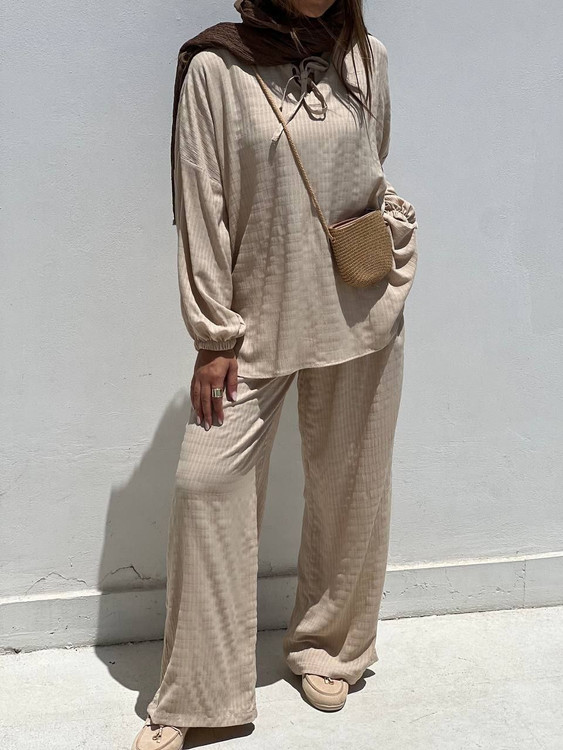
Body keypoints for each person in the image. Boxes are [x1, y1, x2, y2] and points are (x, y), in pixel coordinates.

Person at [132, 0, 418, 747]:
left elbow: (370, 165)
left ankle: (330, 646)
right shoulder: (216, 67)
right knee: (206, 483)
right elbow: (201, 199)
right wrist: (213, 335)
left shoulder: (366, 59)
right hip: (252, 322)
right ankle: (201, 693)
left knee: (351, 483)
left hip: (358, 305)